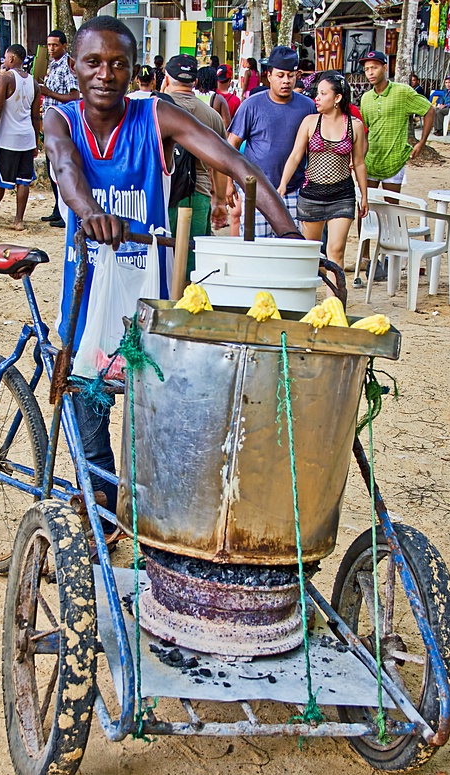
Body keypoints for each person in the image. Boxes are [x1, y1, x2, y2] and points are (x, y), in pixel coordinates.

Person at [44, 16, 299, 535]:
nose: (105, 74)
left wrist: (291, 237)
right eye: (93, 62)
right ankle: (97, 500)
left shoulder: (154, 115)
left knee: (155, 398)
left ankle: (149, 505)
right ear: (75, 67)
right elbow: (67, 171)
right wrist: (90, 211)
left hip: (151, 288)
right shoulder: (59, 118)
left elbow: (234, 162)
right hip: (88, 285)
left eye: (118, 64)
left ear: (135, 70)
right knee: (86, 393)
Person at [278, 73, 368, 271]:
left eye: (323, 93)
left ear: (337, 98)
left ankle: (334, 301)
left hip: (342, 195)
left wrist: (364, 195)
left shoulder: (355, 126)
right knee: (311, 254)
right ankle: (309, 300)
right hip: (312, 195)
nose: (316, 98)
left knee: (336, 252)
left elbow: (359, 163)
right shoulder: (310, 122)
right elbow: (295, 156)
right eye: (317, 93)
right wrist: (283, 183)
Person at [227, 45, 316, 232]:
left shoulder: (308, 106)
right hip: (256, 190)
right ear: (269, 76)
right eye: (280, 75)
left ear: (297, 76)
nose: (286, 81)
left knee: (290, 250)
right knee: (256, 251)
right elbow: (230, 147)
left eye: (290, 76)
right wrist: (229, 184)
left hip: (294, 191)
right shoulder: (251, 106)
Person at [162, 54, 228, 275]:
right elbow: (221, 164)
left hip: (161, 193)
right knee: (193, 263)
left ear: (166, 77)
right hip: (198, 195)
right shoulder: (211, 115)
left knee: (161, 258)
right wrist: (219, 201)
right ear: (195, 82)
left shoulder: (153, 109)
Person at [0, 44, 40, 230]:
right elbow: (36, 116)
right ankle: (18, 220)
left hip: (7, 138)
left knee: (0, 180)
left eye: (5, 57)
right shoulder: (34, 83)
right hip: (27, 136)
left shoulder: (5, 78)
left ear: (12, 59)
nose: (4, 61)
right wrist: (36, 141)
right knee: (23, 180)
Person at [360, 51, 433, 195]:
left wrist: (422, 142)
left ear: (385, 68)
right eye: (367, 69)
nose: (370, 73)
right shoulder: (365, 98)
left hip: (394, 159)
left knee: (392, 206)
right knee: (366, 204)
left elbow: (429, 110)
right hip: (370, 159)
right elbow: (364, 131)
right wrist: (359, 158)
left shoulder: (402, 92)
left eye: (374, 67)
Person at [40, 29, 79, 228]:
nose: (51, 48)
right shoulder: (53, 66)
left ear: (64, 46)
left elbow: (74, 97)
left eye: (55, 45)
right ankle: (57, 209)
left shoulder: (68, 66)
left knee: (60, 168)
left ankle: (65, 212)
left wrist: (49, 92)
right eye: (49, 45)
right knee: (51, 169)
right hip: (49, 123)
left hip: (64, 125)